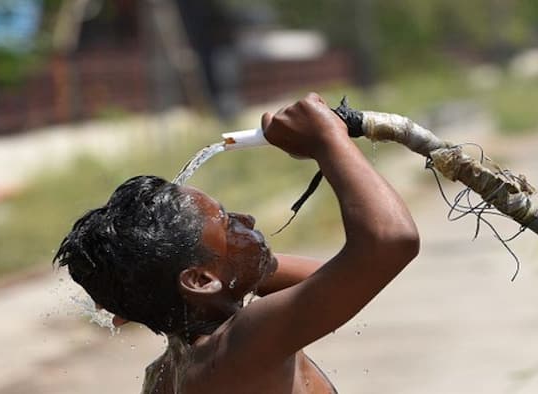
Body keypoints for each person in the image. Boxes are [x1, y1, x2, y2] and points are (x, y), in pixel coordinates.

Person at [54, 93, 420, 393]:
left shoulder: (168, 373)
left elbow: (333, 279)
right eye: (228, 223)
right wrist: (327, 139)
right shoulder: (243, 342)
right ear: (199, 281)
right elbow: (389, 243)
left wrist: (240, 264)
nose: (248, 221)